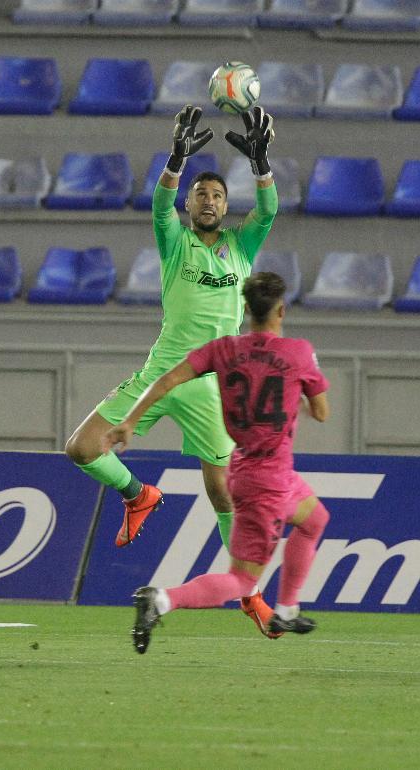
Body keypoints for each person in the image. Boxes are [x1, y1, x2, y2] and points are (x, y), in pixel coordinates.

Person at [64, 105, 279, 554]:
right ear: (189, 202)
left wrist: (261, 167)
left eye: (217, 195)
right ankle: (138, 494)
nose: (208, 201)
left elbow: (269, 209)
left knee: (221, 492)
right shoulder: (175, 242)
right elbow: (161, 206)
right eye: (200, 194)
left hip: (212, 384)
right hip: (158, 375)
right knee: (82, 448)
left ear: (226, 205)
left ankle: (246, 588)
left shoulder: (241, 247)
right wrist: (176, 161)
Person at [103, 272, 333, 653]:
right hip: (269, 481)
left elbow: (164, 381)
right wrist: (300, 395)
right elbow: (322, 412)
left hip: (247, 470)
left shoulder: (223, 349)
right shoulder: (298, 352)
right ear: (281, 310)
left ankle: (288, 610)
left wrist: (129, 421)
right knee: (242, 581)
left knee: (314, 520)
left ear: (245, 309)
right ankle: (161, 600)